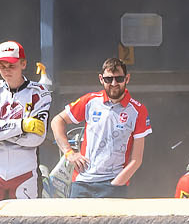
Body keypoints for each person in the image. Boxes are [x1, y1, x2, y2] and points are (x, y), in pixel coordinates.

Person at [0, 41, 51, 203]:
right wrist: (21, 126)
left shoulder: (39, 93)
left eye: (11, 65)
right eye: (2, 65)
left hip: (25, 173)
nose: (7, 70)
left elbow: (35, 139)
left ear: (23, 64)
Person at [63, 57, 149, 198]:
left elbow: (137, 159)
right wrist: (69, 152)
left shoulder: (138, 110)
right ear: (101, 79)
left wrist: (116, 183)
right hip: (82, 182)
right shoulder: (90, 101)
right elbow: (57, 121)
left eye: (119, 79)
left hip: (113, 184)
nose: (114, 83)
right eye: (109, 79)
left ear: (127, 79)